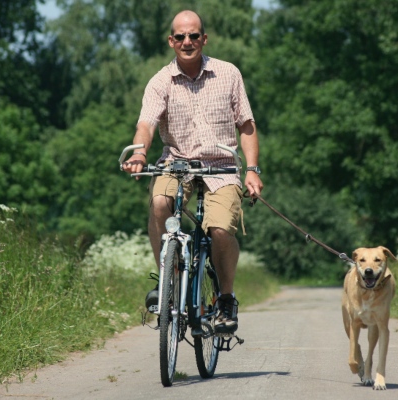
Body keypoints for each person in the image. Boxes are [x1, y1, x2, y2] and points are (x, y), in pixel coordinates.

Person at [121, 10, 263, 335]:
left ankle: (225, 298)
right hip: (177, 161)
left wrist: (252, 170)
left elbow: (247, 126)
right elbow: (146, 123)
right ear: (171, 41)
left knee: (220, 231)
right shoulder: (160, 82)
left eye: (194, 36)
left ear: (204, 39)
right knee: (159, 203)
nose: (188, 42)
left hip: (221, 166)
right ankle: (167, 279)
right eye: (181, 36)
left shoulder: (228, 74)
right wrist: (140, 152)